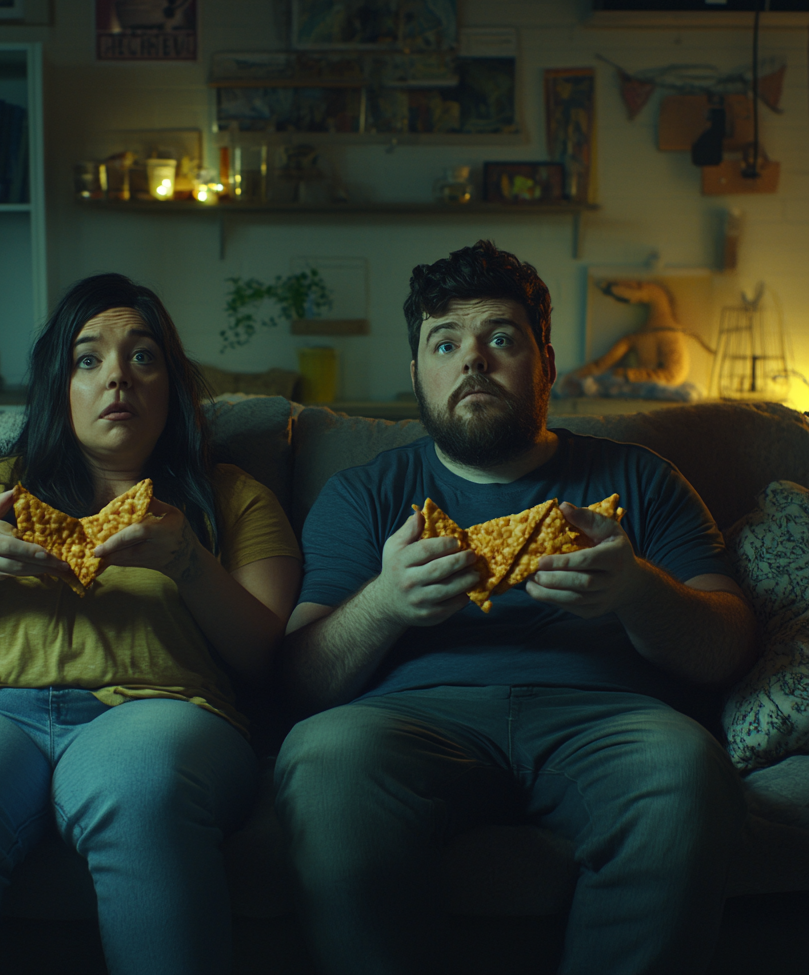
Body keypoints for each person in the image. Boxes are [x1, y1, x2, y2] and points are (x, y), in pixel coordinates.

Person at [274, 240, 757, 975]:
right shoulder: (363, 493)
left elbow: (727, 646)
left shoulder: (641, 478)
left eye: (501, 338)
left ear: (546, 366)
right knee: (324, 759)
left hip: (610, 722)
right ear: (417, 374)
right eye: (446, 343)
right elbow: (301, 681)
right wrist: (386, 602)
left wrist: (635, 589)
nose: (474, 360)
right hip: (409, 723)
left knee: (687, 770)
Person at [0, 273, 301, 975]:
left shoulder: (232, 500)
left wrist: (189, 562)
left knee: (142, 784)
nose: (117, 377)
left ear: (173, 387)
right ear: (57, 389)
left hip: (160, 713)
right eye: (87, 359)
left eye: (143, 357)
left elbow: (267, 660)